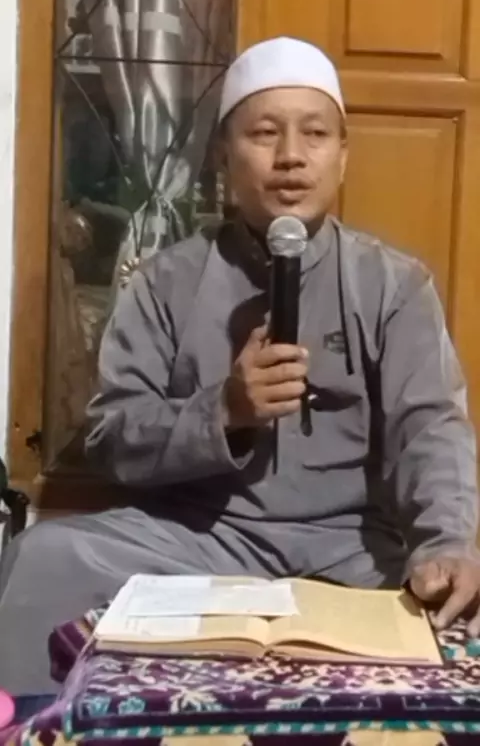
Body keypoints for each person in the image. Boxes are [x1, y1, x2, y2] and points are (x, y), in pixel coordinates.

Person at [0, 36, 479, 694]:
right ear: (224, 155)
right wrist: (223, 411)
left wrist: (447, 541)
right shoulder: (166, 282)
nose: (291, 156)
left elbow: (430, 429)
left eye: (315, 133)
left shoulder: (394, 286)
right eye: (264, 132)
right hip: (199, 540)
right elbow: (113, 437)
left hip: (353, 547)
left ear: (342, 156)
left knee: (459, 593)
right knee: (42, 558)